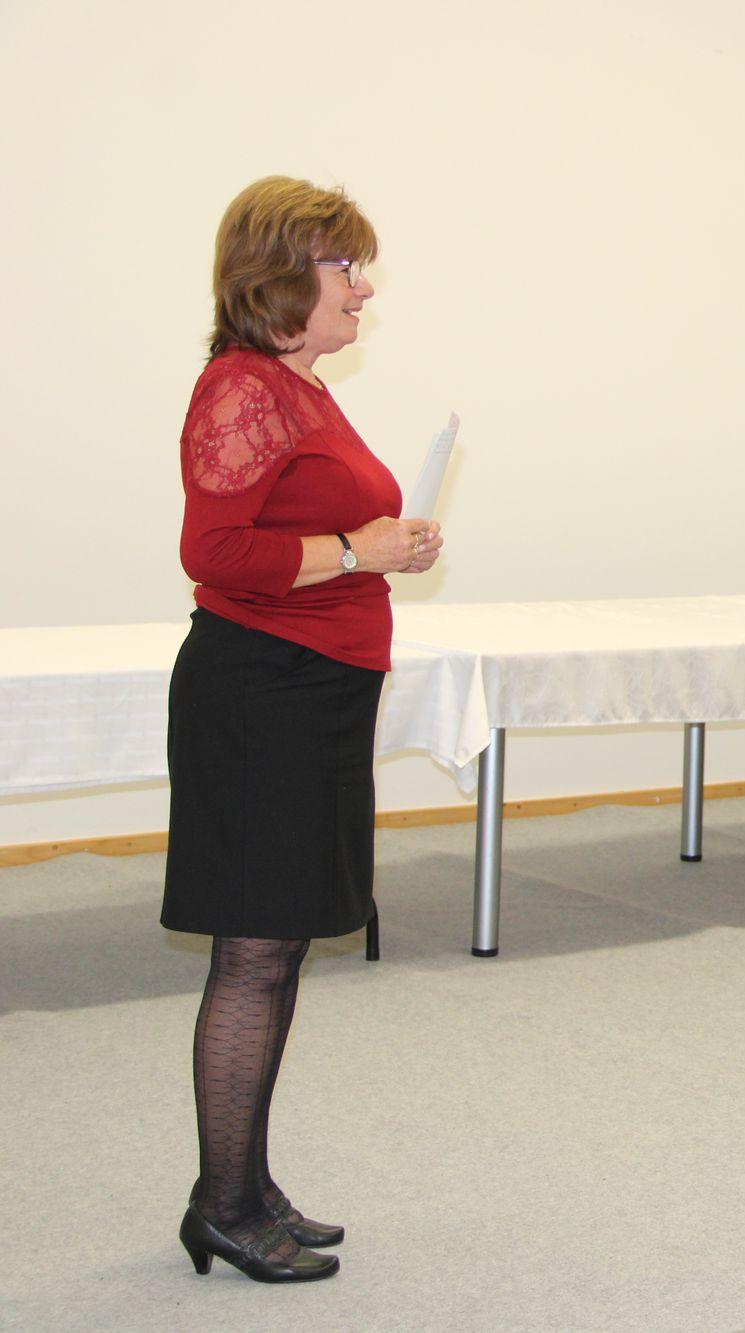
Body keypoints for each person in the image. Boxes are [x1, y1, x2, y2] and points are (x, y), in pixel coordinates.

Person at [165, 177, 442, 1283]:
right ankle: (226, 1205)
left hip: (314, 689)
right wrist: (359, 551)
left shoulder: (300, 389)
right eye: (343, 267)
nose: (362, 287)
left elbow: (306, 525)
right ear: (280, 274)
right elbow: (215, 552)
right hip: (260, 692)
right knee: (254, 950)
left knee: (278, 946)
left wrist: (381, 544)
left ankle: (243, 1182)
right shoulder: (241, 388)